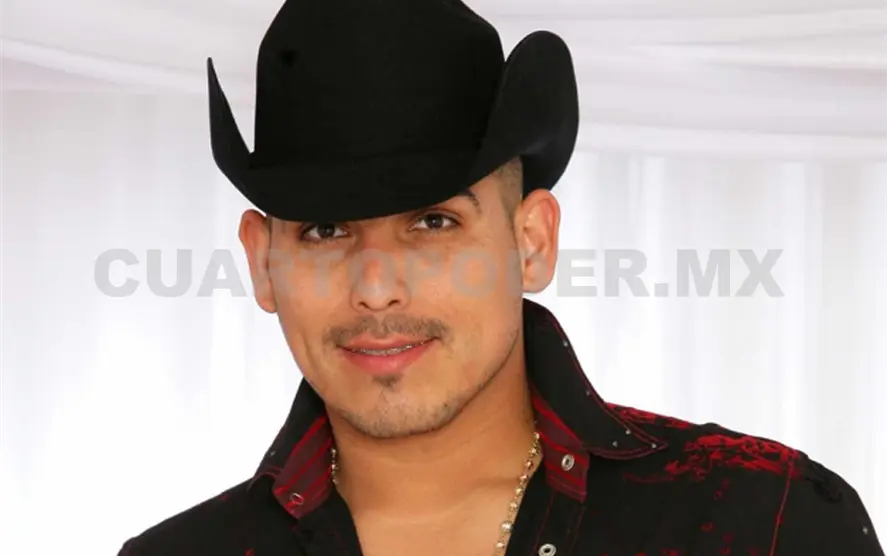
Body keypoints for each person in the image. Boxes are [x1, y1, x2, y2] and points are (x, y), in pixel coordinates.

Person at [117, 0, 884, 554]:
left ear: (531, 241)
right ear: (262, 263)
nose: (376, 288)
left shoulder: (763, 522)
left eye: (432, 222)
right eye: (324, 230)